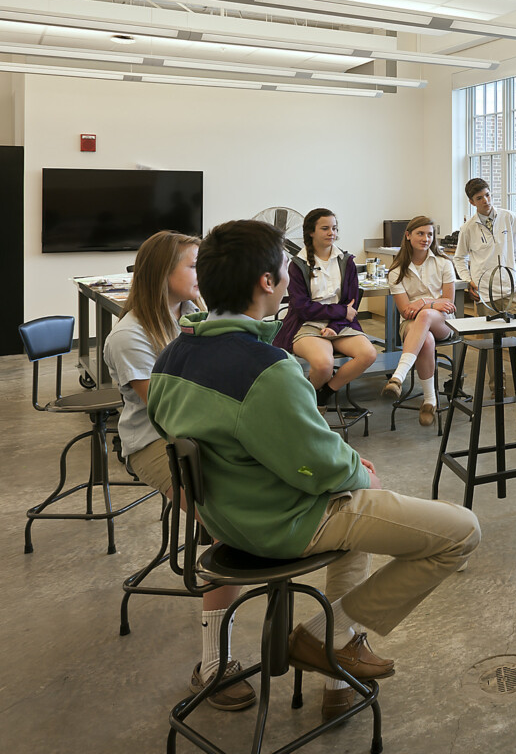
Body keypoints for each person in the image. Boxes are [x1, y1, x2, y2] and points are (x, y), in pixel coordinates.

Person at [147, 219, 481, 723]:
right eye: (285, 267)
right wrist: (361, 472)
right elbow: (320, 464)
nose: (289, 273)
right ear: (267, 282)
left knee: (359, 502)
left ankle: (337, 664)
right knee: (459, 530)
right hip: (280, 522)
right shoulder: (268, 370)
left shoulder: (171, 357)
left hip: (223, 518)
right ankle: (326, 636)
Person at [103, 230, 254, 711]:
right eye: (193, 266)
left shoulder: (190, 317)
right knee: (225, 524)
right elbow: (167, 413)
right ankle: (213, 665)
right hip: (153, 443)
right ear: (161, 274)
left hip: (196, 432)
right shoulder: (128, 335)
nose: (202, 276)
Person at [273, 208, 376, 407]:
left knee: (369, 354)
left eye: (334, 228)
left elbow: (351, 304)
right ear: (311, 231)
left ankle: (322, 395)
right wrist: (341, 312)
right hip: (307, 324)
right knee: (324, 365)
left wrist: (336, 325)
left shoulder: (347, 261)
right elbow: (303, 308)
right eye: (325, 228)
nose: (332, 233)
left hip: (340, 324)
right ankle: (305, 402)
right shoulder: (297, 265)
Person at [454, 177, 516, 398]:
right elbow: (459, 258)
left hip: (514, 289)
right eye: (479, 198)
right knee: (492, 341)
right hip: (486, 292)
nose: (486, 200)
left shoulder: (508, 217)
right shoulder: (467, 228)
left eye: (488, 195)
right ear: (472, 202)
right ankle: (497, 386)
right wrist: (468, 280)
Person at [382, 215, 458, 426]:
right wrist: (433, 302)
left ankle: (399, 375)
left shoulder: (444, 263)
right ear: (408, 236)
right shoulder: (397, 270)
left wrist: (423, 302)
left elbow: (449, 303)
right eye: (420, 233)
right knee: (426, 341)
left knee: (424, 315)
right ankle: (429, 401)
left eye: (430, 234)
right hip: (411, 325)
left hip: (444, 322)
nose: (426, 238)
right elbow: (406, 311)